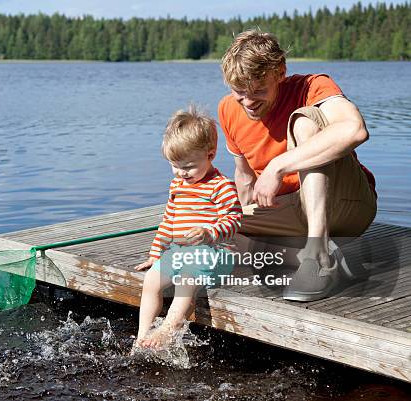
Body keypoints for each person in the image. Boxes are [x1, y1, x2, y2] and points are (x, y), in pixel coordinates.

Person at [217, 30, 377, 301]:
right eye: (240, 92)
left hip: (347, 204)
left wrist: (277, 166)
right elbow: (243, 177)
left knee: (305, 120)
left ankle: (318, 258)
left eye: (259, 90)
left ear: (280, 72)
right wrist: (238, 220)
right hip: (289, 208)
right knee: (216, 229)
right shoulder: (228, 109)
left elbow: (354, 130)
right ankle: (322, 255)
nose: (249, 102)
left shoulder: (312, 86)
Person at [134, 105, 242, 348]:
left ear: (210, 155)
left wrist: (209, 232)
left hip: (216, 254)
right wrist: (155, 254)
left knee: (186, 275)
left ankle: (168, 327)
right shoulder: (178, 186)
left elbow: (234, 220)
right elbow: (168, 221)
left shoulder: (221, 186)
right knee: (151, 280)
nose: (181, 173)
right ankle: (142, 335)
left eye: (189, 167)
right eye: (175, 165)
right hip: (181, 252)